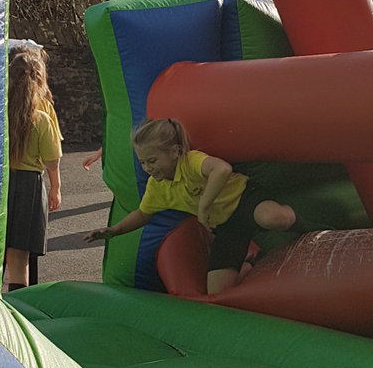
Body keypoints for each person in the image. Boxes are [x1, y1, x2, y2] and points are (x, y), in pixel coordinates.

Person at [85, 118, 304, 294]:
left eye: (152, 161)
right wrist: (115, 230)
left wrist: (204, 206)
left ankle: (305, 220)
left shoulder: (190, 161)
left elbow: (222, 169)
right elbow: (143, 214)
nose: (147, 168)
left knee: (272, 217)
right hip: (227, 227)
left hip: (245, 200)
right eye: (142, 162)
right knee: (217, 291)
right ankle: (254, 263)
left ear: (174, 152)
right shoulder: (157, 187)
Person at [4, 48, 62, 291]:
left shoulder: (0, 113)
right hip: (29, 186)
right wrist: (56, 188)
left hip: (2, 181)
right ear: (40, 80)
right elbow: (52, 160)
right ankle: (18, 306)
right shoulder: (41, 119)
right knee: (20, 257)